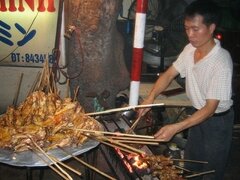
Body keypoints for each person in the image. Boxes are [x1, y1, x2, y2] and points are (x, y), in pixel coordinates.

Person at [138, 1, 234, 179]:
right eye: (186, 28)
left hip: (217, 123)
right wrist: (150, 98)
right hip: (198, 115)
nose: (190, 34)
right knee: (191, 165)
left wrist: (175, 127)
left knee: (210, 171)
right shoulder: (190, 49)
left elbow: (210, 108)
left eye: (195, 29)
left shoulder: (221, 61)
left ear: (211, 27)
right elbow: (168, 75)